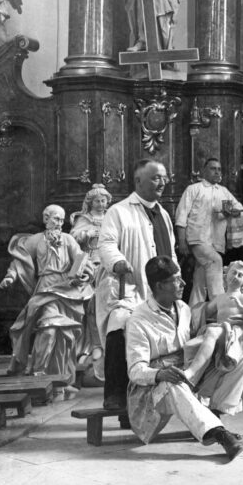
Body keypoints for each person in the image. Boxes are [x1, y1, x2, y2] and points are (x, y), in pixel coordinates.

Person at [125, 256, 243, 461]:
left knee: (241, 361)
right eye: (176, 279)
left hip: (186, 376)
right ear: (159, 285)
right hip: (150, 395)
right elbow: (135, 371)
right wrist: (160, 373)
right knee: (172, 381)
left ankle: (214, 416)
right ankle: (219, 433)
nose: (183, 283)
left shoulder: (183, 308)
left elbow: (192, 345)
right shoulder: (138, 319)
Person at [96, 159, 176, 410]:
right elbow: (106, 243)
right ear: (138, 181)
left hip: (158, 294)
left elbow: (170, 254)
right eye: (155, 178)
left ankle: (152, 398)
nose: (162, 182)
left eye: (164, 177)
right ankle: (115, 395)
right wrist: (118, 261)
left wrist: (177, 276)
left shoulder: (163, 214)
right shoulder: (118, 211)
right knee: (120, 325)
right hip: (128, 289)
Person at [0, 205, 88, 384]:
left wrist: (82, 274)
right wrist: (10, 276)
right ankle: (39, 373)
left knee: (65, 335)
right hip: (46, 288)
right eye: (56, 219)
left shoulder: (68, 239)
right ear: (46, 219)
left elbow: (81, 259)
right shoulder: (36, 240)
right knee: (48, 329)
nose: (59, 223)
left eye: (62, 220)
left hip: (67, 289)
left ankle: (59, 376)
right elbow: (20, 261)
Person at [175, 158, 243, 306]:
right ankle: (222, 305)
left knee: (200, 282)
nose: (217, 172)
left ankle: (193, 320)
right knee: (216, 261)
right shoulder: (194, 189)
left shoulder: (223, 191)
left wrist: (233, 212)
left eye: (219, 169)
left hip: (216, 241)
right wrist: (182, 241)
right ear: (204, 171)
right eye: (213, 168)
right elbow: (181, 216)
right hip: (197, 239)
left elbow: (241, 210)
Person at [183, 261, 243, 386]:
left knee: (212, 331)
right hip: (221, 330)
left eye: (240, 275)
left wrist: (242, 307)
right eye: (233, 272)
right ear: (226, 275)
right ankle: (195, 381)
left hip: (234, 332)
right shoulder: (220, 298)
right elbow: (203, 311)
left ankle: (192, 372)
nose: (236, 276)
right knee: (190, 345)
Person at [70, 183, 112, 380]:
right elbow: (73, 237)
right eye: (97, 200)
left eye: (104, 200)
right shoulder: (84, 218)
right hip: (88, 264)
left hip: (108, 264)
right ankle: (94, 345)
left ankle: (105, 345)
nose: (101, 203)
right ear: (90, 202)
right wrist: (87, 233)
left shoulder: (111, 217)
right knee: (91, 305)